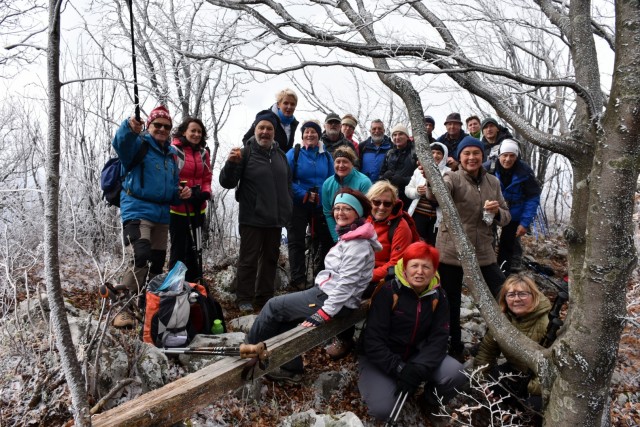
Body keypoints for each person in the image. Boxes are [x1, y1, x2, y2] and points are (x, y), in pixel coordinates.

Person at [247, 189, 381, 384]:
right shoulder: (351, 236)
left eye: (346, 209)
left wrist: (324, 313)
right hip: (328, 295)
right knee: (284, 320)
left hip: (330, 300)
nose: (339, 213)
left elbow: (346, 284)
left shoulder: (358, 245)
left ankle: (247, 354)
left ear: (358, 213)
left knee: (273, 306)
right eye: (337, 208)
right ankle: (289, 368)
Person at [358, 242, 467, 421]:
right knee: (384, 410)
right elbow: (373, 341)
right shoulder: (388, 292)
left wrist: (418, 368)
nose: (420, 271)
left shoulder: (439, 296)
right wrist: (400, 369)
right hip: (383, 358)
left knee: (456, 374)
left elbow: (439, 339)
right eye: (414, 265)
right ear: (405, 268)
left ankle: (428, 401)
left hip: (417, 355)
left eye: (426, 267)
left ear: (434, 271)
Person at [426, 136, 511, 361]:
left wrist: (497, 213)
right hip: (451, 250)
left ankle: (495, 343)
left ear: (483, 156)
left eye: (476, 153)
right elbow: (435, 195)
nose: (472, 157)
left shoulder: (493, 182)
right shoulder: (451, 177)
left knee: (502, 293)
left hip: (483, 249)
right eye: (467, 153)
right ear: (461, 157)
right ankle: (454, 344)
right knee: (450, 300)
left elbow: (506, 217)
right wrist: (430, 180)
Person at [112, 105, 192, 327]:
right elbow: (121, 143)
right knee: (140, 255)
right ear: (149, 125)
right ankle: (122, 308)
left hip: (161, 215)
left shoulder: (172, 156)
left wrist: (180, 194)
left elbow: (171, 190)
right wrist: (129, 128)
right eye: (157, 125)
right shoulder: (139, 145)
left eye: (166, 126)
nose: (162, 129)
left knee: (156, 263)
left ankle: (146, 305)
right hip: (137, 210)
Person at [325, 181, 412, 359]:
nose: (381, 207)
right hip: (360, 269)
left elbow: (397, 263)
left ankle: (355, 338)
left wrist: (365, 276)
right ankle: (341, 334)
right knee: (336, 285)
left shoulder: (401, 226)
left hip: (383, 276)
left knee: (352, 290)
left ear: (394, 204)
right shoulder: (364, 220)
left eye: (387, 203)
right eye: (376, 202)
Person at [219, 110, 293, 312]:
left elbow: (287, 184)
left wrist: (287, 209)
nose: (265, 132)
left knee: (270, 259)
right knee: (248, 259)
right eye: (261, 127)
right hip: (252, 217)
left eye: (269, 128)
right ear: (255, 129)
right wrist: (230, 165)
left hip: (275, 219)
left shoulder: (281, 156)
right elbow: (227, 182)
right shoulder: (245, 152)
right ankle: (244, 298)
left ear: (274, 132)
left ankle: (264, 298)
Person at [473, 274, 551, 415]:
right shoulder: (502, 319)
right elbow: (487, 351)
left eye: (522, 294)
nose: (516, 299)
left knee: (532, 406)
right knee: (491, 385)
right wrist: (481, 381)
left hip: (539, 380)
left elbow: (552, 367)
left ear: (534, 295)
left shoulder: (548, 323)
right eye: (511, 295)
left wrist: (528, 388)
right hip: (515, 371)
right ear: (505, 298)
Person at [286, 120, 334, 290]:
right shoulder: (294, 153)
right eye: (306, 132)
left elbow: (331, 180)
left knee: (322, 241)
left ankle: (321, 277)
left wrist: (323, 198)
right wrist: (304, 194)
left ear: (319, 135)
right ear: (302, 135)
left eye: (313, 132)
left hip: (320, 205)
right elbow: (286, 179)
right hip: (298, 204)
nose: (310, 135)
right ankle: (298, 279)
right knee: (296, 241)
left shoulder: (326, 155)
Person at [486, 140, 541, 274]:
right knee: (486, 241)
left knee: (508, 245)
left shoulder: (525, 172)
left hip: (514, 213)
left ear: (517, 156)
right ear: (499, 155)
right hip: (491, 209)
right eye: (504, 155)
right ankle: (487, 270)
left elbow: (532, 198)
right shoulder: (488, 168)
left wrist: (524, 223)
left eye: (512, 156)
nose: (508, 159)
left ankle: (503, 273)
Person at [169, 117, 213, 283]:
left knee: (195, 249)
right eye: (192, 130)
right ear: (184, 132)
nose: (196, 134)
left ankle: (195, 284)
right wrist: (180, 191)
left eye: (199, 132)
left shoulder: (203, 153)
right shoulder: (174, 151)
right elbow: (170, 177)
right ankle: (174, 285)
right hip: (178, 209)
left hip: (198, 207)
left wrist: (205, 193)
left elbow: (207, 177)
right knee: (179, 250)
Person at [321, 146, 372, 244]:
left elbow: (369, 213)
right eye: (338, 162)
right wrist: (337, 239)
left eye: (345, 161)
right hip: (337, 229)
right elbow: (328, 213)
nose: (341, 165)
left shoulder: (364, 182)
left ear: (352, 164)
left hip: (359, 230)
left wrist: (357, 235)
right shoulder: (327, 184)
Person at [406, 142, 450, 245]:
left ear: (444, 156)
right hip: (418, 215)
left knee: (433, 245)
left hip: (437, 219)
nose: (435, 155)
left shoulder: (449, 172)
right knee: (416, 244)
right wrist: (417, 191)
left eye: (439, 153)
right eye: (432, 152)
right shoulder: (419, 170)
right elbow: (408, 190)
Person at [242, 88, 299, 153]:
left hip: (281, 162)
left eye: (292, 104)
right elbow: (246, 139)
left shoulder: (292, 124)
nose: (289, 107)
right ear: (278, 104)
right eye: (286, 103)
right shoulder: (265, 118)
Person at [379, 124, 416, 209]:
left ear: (407, 136)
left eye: (401, 134)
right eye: (394, 135)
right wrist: (385, 177)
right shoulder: (389, 153)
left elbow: (420, 177)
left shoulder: (414, 153)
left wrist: (403, 180)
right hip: (390, 194)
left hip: (408, 196)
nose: (397, 137)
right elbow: (381, 173)